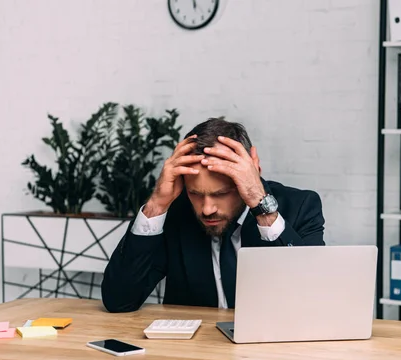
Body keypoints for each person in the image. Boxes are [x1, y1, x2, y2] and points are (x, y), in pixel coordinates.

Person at [101, 118, 326, 312]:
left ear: (252, 170)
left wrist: (262, 206)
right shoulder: (174, 215)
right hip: (194, 355)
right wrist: (156, 206)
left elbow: (314, 299)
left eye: (221, 194)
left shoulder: (300, 206)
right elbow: (119, 301)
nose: (207, 209)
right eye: (195, 193)